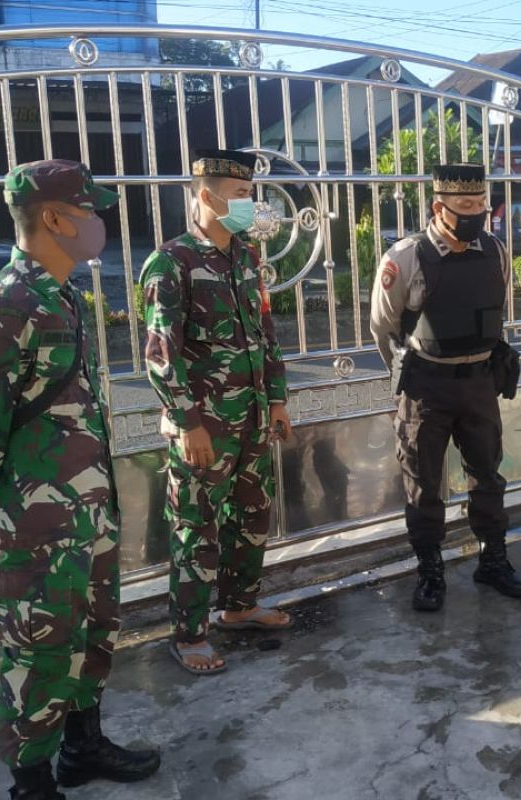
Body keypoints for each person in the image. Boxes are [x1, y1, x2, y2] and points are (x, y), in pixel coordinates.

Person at [0, 159, 161, 799]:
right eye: (91, 213)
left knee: (93, 631)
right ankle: (32, 782)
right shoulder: (4, 303)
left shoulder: (57, 293)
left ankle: (82, 747)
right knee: (39, 649)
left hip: (86, 509)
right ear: (56, 218)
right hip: (39, 520)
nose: (100, 227)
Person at [140, 148, 293, 676]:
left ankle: (240, 606)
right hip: (205, 426)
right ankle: (188, 634)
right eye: (241, 196)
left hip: (250, 419)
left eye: (252, 195)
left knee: (252, 516)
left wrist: (276, 400)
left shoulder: (246, 257)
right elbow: (160, 355)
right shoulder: (172, 262)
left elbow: (265, 334)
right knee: (195, 527)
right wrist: (186, 423)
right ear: (205, 196)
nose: (251, 205)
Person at [370, 162, 521, 612]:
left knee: (488, 477)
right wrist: (405, 378)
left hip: (479, 382)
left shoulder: (495, 250)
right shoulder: (405, 257)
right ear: (438, 207)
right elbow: (383, 328)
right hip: (427, 388)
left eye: (481, 204)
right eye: (465, 206)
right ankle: (430, 570)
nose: (476, 213)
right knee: (423, 485)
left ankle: (493, 559)